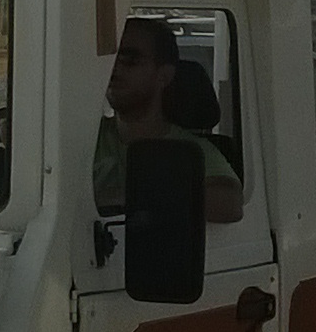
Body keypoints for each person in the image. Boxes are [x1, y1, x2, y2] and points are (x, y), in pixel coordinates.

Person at [95, 17, 243, 222]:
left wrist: (125, 197)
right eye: (110, 60)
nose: (114, 71)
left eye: (130, 61)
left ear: (164, 75)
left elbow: (229, 203)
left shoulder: (190, 150)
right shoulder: (85, 138)